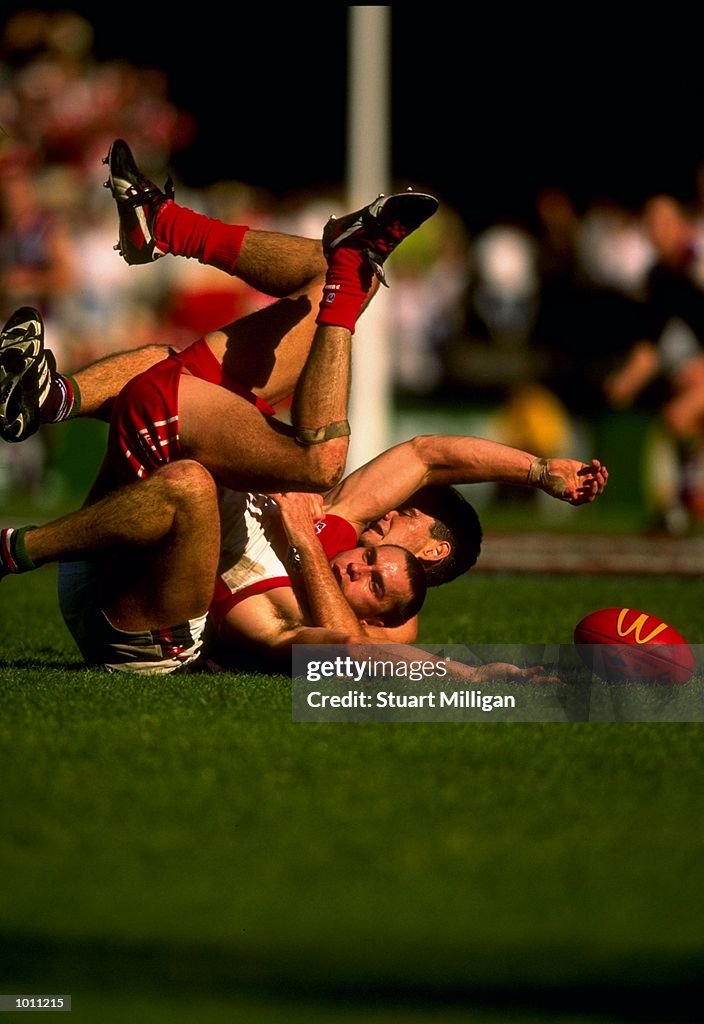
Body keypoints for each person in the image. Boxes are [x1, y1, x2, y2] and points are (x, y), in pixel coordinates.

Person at [604, 193, 704, 532]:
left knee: (679, 417)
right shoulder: (660, 277)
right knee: (683, 422)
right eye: (649, 224)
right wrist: (627, 381)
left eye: (663, 223)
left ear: (682, 225)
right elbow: (651, 344)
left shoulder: (699, 261)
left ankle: (679, 505)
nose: (655, 231)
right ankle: (681, 505)